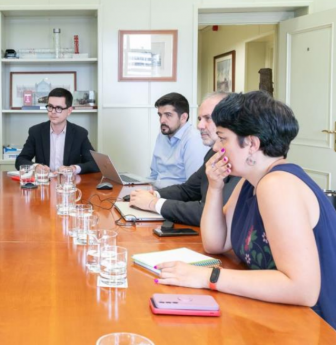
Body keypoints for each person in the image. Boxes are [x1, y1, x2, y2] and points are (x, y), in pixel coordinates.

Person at [155, 91, 336, 329]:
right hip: (274, 314)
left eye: (223, 139)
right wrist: (215, 187)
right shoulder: (250, 181)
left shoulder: (277, 185)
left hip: (312, 326)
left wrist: (207, 277)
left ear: (251, 143)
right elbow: (215, 243)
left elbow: (303, 289)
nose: (217, 148)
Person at [128, 92, 240, 226]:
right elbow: (187, 190)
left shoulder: (241, 163)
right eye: (200, 119)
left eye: (207, 118)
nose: (199, 125)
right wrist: (154, 195)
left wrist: (154, 204)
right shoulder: (213, 153)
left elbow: (211, 213)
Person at [15, 87, 99, 174]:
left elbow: (95, 164)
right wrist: (35, 167)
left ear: (69, 111)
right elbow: (20, 160)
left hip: (68, 184)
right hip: (44, 183)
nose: (53, 112)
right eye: (50, 107)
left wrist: (73, 168)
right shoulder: (36, 131)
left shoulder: (80, 133)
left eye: (58, 108)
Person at [148, 92, 206, 188]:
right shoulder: (162, 135)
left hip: (175, 198)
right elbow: (154, 174)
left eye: (168, 115)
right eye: (160, 115)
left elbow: (193, 187)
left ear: (183, 117)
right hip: (155, 192)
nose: (162, 120)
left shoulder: (194, 140)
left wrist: (156, 198)